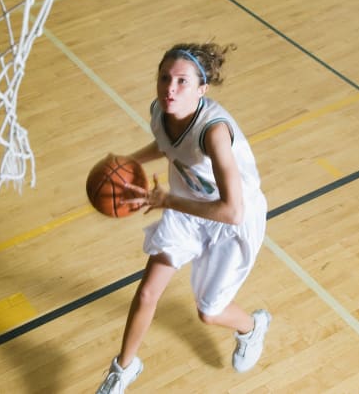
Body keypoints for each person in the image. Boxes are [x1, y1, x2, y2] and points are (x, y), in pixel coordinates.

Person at [95, 42, 271, 393]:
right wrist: (124, 163)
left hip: (233, 221)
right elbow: (166, 145)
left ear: (202, 89)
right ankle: (124, 369)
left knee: (209, 313)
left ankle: (252, 327)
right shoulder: (162, 112)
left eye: (181, 82)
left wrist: (169, 200)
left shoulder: (214, 132)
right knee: (147, 293)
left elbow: (231, 211)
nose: (169, 89)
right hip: (186, 210)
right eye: (164, 78)